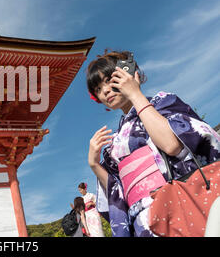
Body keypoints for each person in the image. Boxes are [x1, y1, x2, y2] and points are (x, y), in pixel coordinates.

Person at [86, 49, 220, 237]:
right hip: (140, 218)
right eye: (98, 89)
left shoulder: (163, 102)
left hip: (175, 202)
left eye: (108, 80)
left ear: (128, 73)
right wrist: (93, 163)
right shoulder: (116, 140)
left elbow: (172, 146)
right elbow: (117, 190)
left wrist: (135, 94)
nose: (105, 91)